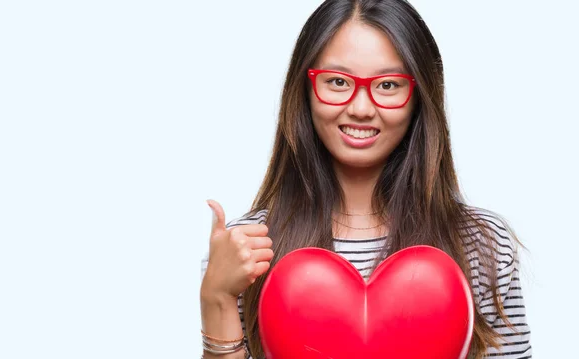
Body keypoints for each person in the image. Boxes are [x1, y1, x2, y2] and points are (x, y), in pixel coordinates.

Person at [199, 0, 532, 358]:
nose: (360, 108)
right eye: (338, 81)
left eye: (388, 85)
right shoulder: (248, 249)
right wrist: (217, 298)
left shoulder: (481, 244)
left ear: (419, 96)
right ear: (306, 89)